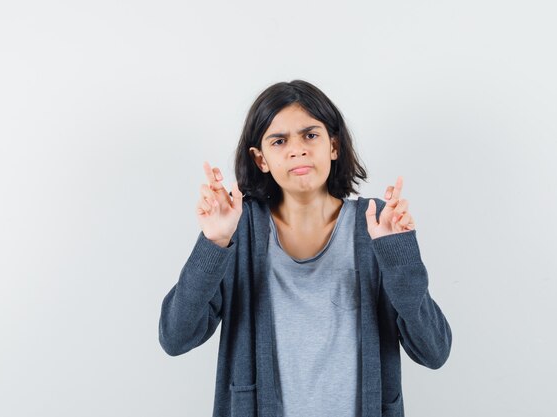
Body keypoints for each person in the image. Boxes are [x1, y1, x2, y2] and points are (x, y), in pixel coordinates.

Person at [158, 80, 452, 417]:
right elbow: (175, 337)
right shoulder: (240, 227)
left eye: (310, 135)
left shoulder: (375, 225)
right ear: (260, 159)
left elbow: (434, 351)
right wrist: (215, 242)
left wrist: (399, 257)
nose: (297, 149)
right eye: (279, 140)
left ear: (334, 146)